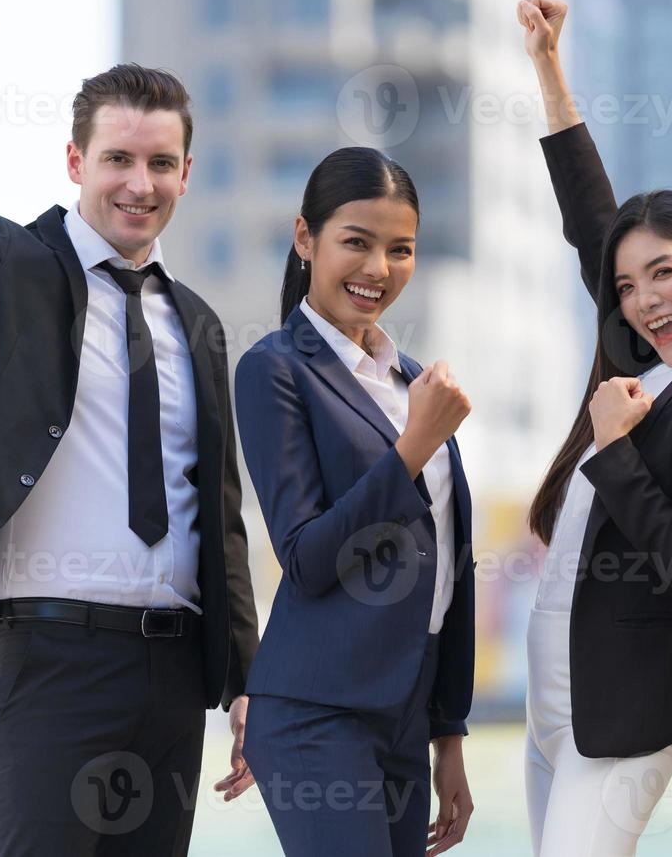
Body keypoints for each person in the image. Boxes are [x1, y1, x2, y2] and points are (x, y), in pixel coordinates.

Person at [0, 5, 260, 856]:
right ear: (77, 161)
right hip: (47, 662)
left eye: (161, 163)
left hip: (170, 677)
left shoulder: (197, 323)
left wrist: (245, 680)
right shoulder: (9, 266)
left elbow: (217, 514)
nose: (138, 183)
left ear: (187, 174)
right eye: (117, 159)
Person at [517, 0, 672, 855]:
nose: (643, 300)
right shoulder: (652, 366)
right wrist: (550, 71)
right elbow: (594, 223)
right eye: (628, 287)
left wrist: (616, 450)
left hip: (622, 704)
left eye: (665, 273)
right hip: (559, 685)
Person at [232, 147, 476, 856]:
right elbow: (306, 556)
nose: (378, 269)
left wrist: (447, 734)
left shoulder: (412, 382)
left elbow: (448, 570)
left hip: (405, 711)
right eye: (356, 243)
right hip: (318, 713)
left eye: (400, 249)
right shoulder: (274, 369)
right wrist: (413, 448)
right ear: (306, 238)